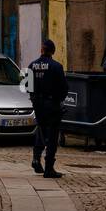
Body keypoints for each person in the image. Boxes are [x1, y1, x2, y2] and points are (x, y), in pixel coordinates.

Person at [27, 38, 69, 178]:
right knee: (52, 135)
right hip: (52, 105)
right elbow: (64, 88)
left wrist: (34, 100)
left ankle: (35, 159)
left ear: (41, 50)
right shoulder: (57, 66)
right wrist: (58, 100)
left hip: (38, 104)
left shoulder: (31, 65)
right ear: (53, 52)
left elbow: (25, 87)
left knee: (40, 130)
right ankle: (49, 167)